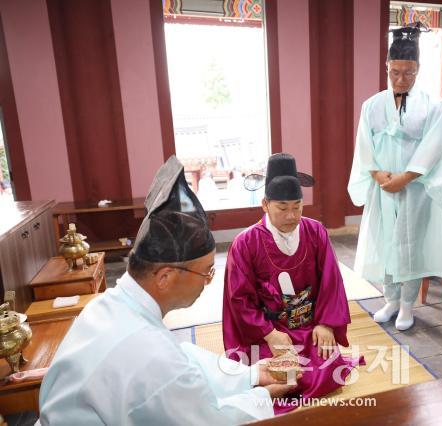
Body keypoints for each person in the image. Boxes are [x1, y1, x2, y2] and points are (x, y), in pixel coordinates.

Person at [38, 156, 293, 425]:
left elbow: (182, 358)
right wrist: (261, 397)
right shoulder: (151, 357)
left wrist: (249, 376)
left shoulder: (108, 305)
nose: (207, 282)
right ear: (165, 277)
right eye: (206, 272)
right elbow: (207, 419)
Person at [223, 153, 365, 413]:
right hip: (268, 330)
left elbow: (331, 281)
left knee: (325, 372)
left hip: (309, 324)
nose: (292, 215)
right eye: (283, 207)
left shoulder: (315, 231)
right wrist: (269, 333)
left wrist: (326, 323)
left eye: (297, 206)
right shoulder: (245, 243)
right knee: (278, 375)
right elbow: (239, 299)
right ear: (265, 204)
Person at [347, 24, 442, 331]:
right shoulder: (372, 105)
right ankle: (390, 300)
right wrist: (377, 174)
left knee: (410, 244)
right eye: (394, 71)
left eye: (408, 72)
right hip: (383, 188)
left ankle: (408, 305)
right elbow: (363, 146)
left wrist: (405, 178)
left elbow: (436, 147)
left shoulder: (434, 107)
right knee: (385, 243)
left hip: (415, 189)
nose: (400, 79)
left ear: (418, 69)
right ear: (386, 67)